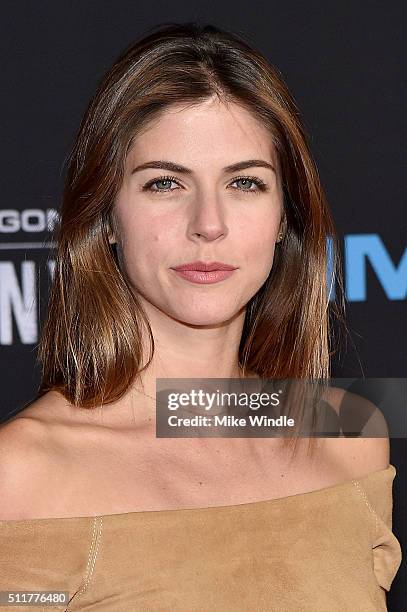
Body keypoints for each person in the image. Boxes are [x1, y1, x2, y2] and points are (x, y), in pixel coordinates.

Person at [0, 21, 401, 611]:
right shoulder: (21, 475)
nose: (208, 223)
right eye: (165, 183)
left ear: (284, 215)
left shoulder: (351, 433)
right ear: (107, 214)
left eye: (245, 182)